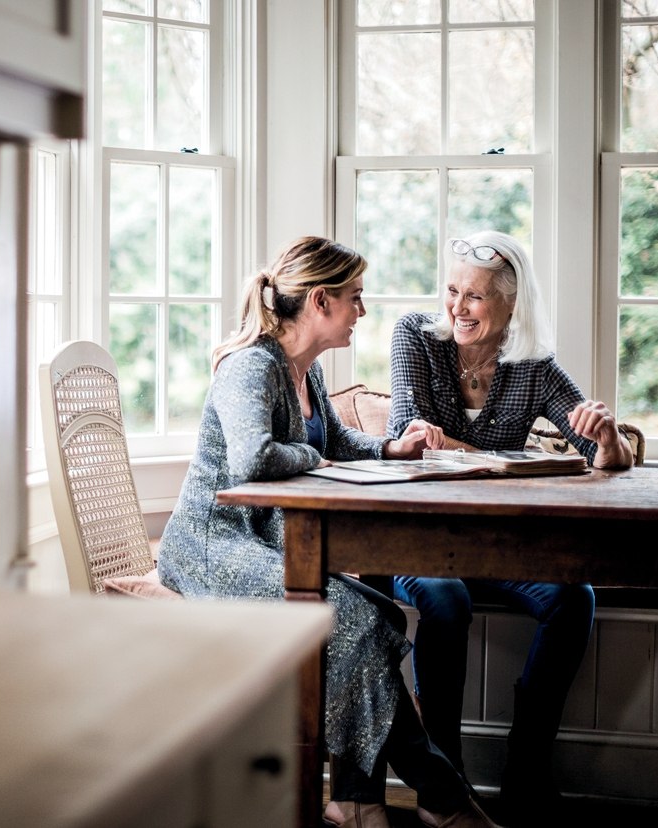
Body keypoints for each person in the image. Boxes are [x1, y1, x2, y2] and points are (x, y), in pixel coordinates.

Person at [157, 236, 501, 828]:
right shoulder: (251, 366)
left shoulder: (305, 371)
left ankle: (357, 800)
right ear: (320, 300)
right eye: (355, 298)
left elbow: (335, 443)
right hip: (214, 548)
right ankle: (444, 799)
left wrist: (393, 448)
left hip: (267, 542)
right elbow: (252, 459)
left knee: (383, 616)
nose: (362, 312)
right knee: (361, 620)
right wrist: (318, 462)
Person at [383, 230, 634, 825]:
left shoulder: (534, 367)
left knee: (574, 598)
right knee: (443, 598)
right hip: (415, 540)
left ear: (512, 306)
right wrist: (486, 459)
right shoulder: (416, 337)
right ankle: (447, 787)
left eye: (474, 296)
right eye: (452, 290)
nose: (457, 307)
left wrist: (606, 438)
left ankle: (525, 770)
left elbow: (607, 458)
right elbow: (403, 432)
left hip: (493, 547)